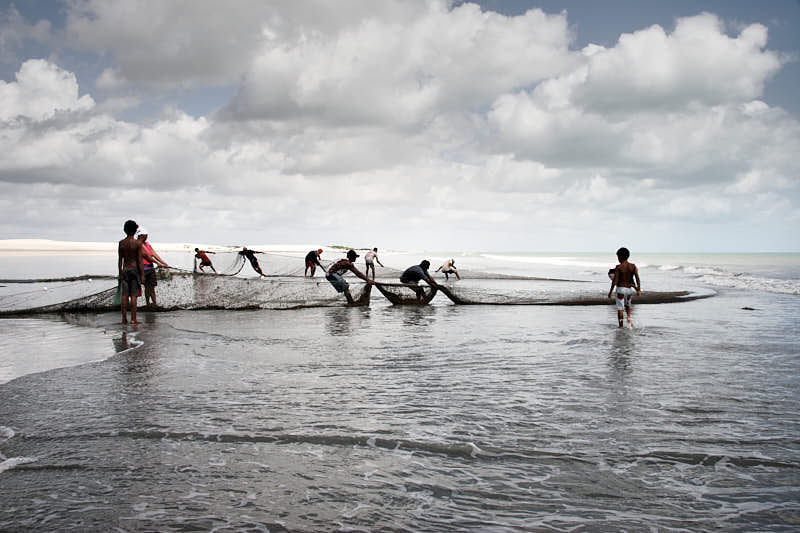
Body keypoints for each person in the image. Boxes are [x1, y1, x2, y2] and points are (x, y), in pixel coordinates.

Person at [118, 220, 144, 325]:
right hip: (135, 270)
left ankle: (124, 319)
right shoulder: (137, 243)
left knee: (124, 295)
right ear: (135, 231)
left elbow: (120, 260)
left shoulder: (121, 243)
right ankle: (133, 319)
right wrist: (142, 275)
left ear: (125, 230)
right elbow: (140, 261)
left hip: (125, 270)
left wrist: (120, 273)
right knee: (134, 296)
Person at [608, 247, 641, 328]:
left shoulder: (618, 267)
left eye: (618, 257)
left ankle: (621, 326)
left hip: (620, 290)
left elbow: (615, 281)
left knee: (620, 309)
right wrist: (638, 289)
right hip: (629, 290)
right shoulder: (633, 266)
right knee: (628, 306)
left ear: (621, 257)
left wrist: (610, 291)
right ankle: (629, 318)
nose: (618, 259)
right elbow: (637, 278)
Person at [137, 228, 169, 308]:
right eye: (145, 235)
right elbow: (147, 257)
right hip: (143, 269)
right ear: (141, 235)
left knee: (151, 287)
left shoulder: (147, 244)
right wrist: (158, 263)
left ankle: (154, 303)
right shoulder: (137, 244)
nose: (147, 237)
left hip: (150, 268)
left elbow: (154, 254)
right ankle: (148, 303)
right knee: (147, 287)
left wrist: (163, 262)